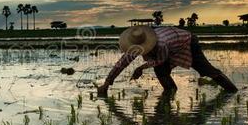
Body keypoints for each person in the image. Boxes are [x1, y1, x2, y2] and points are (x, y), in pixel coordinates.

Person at [97, 25, 238, 96]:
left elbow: (160, 59)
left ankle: (232, 91)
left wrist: (140, 68)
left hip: (186, 42)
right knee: (161, 71)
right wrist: (107, 83)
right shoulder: (136, 46)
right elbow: (121, 63)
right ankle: (170, 92)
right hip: (171, 45)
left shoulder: (161, 44)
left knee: (206, 70)